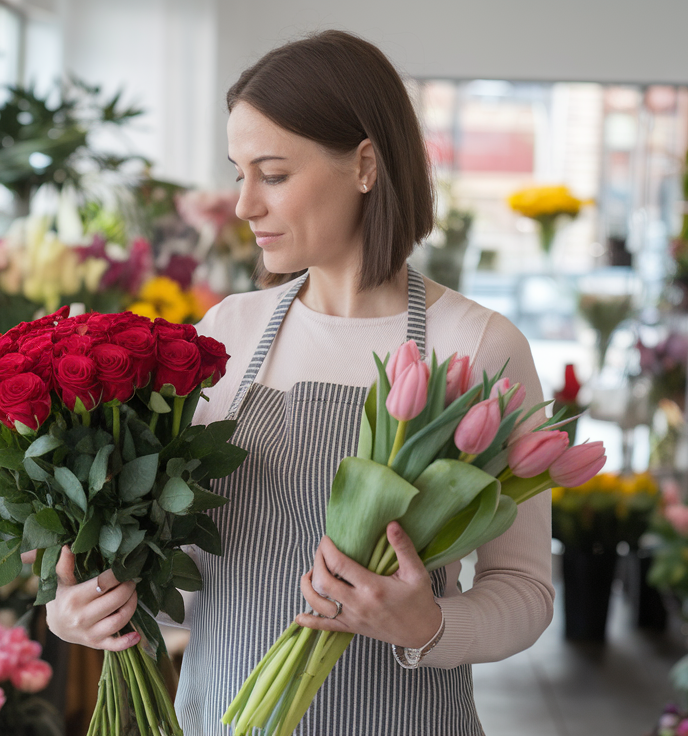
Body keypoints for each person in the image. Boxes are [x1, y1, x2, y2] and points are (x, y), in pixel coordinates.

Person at [42, 30, 553, 735]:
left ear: (366, 164)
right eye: (239, 172)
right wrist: (85, 609)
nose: (245, 203)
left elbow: (524, 592)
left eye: (273, 174)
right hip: (220, 717)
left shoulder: (479, 346)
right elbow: (198, 575)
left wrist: (429, 624)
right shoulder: (230, 331)